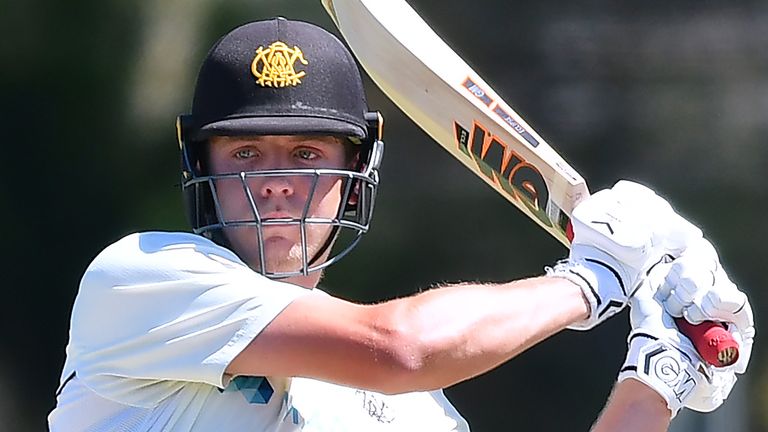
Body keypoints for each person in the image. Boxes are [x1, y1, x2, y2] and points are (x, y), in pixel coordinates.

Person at [48, 18, 754, 432]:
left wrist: (657, 376)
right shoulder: (141, 278)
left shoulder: (414, 414)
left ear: (357, 171)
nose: (277, 178)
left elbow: (399, 365)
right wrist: (593, 280)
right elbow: (398, 349)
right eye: (245, 151)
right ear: (200, 164)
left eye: (306, 152)